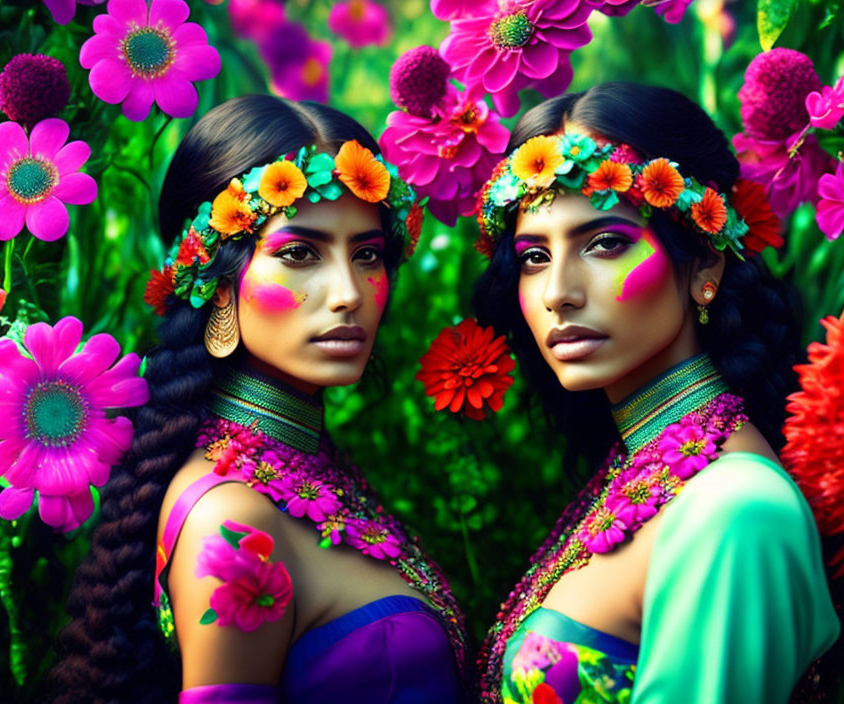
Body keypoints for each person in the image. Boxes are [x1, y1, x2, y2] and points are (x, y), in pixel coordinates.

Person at [49, 94, 468, 704]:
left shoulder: (298, 466)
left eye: (367, 254)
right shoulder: (235, 522)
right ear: (216, 283)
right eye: (300, 253)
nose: (349, 292)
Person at [471, 82, 840, 703]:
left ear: (704, 263)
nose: (558, 290)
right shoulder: (642, 473)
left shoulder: (735, 509)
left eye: (604, 242)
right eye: (535, 255)